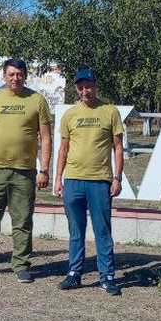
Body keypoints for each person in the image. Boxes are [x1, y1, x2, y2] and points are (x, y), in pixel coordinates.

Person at [0, 58, 53, 283]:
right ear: (4, 76)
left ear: (26, 75)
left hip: (24, 172)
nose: (16, 78)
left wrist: (44, 169)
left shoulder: (37, 101)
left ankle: (21, 264)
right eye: (11, 74)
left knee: (22, 220)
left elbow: (45, 137)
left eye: (19, 74)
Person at [53, 68, 125, 295]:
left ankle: (107, 277)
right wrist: (58, 178)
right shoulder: (70, 115)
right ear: (77, 88)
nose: (85, 91)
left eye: (89, 86)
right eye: (81, 87)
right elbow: (63, 149)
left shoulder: (110, 112)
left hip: (99, 181)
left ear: (96, 86)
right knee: (76, 231)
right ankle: (74, 274)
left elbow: (118, 148)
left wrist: (117, 177)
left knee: (102, 231)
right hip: (73, 180)